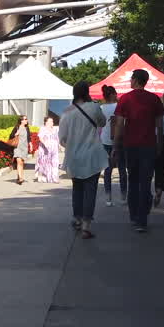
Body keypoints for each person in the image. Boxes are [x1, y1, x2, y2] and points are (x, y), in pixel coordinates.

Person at [112, 68, 164, 233]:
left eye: (131, 78)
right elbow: (159, 126)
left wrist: (115, 145)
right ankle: (143, 218)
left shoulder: (125, 99)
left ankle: (134, 215)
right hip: (149, 145)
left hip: (131, 145)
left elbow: (120, 124)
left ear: (135, 80)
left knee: (133, 180)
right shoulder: (155, 99)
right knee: (145, 181)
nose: (130, 81)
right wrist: (160, 144)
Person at [60, 81, 108, 239]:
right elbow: (102, 122)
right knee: (90, 191)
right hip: (92, 156)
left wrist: (73, 142)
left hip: (74, 156)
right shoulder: (94, 107)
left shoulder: (67, 112)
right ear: (87, 92)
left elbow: (62, 139)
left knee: (77, 189)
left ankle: (77, 218)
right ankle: (86, 225)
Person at [98, 84, 127, 206]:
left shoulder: (101, 108)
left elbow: (99, 125)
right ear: (112, 95)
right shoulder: (119, 106)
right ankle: (123, 196)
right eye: (116, 94)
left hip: (105, 140)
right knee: (122, 169)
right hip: (119, 140)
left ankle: (108, 198)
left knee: (108, 170)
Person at [35, 115, 61, 183]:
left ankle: (54, 177)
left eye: (52, 121)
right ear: (46, 122)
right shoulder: (43, 129)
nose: (52, 122)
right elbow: (40, 138)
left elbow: (57, 138)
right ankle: (43, 177)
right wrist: (45, 144)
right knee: (44, 163)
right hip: (45, 149)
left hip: (54, 148)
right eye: (51, 121)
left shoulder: (55, 129)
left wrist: (59, 145)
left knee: (55, 162)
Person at [8, 115, 33, 185]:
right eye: (24, 119)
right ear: (21, 121)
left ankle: (19, 176)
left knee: (22, 163)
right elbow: (11, 136)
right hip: (17, 147)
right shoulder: (17, 127)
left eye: (26, 119)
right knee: (19, 162)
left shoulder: (27, 128)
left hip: (24, 147)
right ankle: (20, 178)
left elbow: (28, 137)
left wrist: (30, 145)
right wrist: (16, 134)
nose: (26, 120)